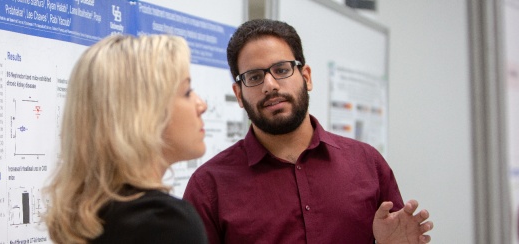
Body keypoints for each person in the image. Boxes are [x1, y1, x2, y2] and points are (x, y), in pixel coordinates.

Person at [183, 19, 433, 244]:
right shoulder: (208, 187)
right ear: (239, 94)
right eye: (254, 77)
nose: (270, 86)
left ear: (306, 77)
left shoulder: (367, 163)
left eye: (281, 70)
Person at [43, 34, 209, 244]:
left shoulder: (87, 218)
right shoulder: (165, 224)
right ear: (145, 113)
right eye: (187, 92)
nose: (202, 105)